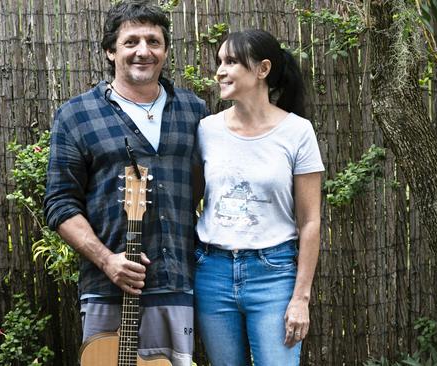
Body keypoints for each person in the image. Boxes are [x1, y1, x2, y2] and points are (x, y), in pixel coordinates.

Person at [44, 1, 207, 364]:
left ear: (165, 50)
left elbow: (204, 189)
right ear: (110, 50)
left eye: (154, 41)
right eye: (131, 41)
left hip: (177, 285)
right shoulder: (77, 114)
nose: (143, 51)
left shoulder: (195, 112)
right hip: (107, 289)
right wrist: (107, 261)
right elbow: (59, 203)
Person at [194, 29, 324, 366]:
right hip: (213, 272)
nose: (220, 70)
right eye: (219, 62)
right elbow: (190, 199)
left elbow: (310, 222)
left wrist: (300, 299)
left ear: (262, 69)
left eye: (232, 62)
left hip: (274, 274)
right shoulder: (207, 130)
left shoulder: (297, 132)